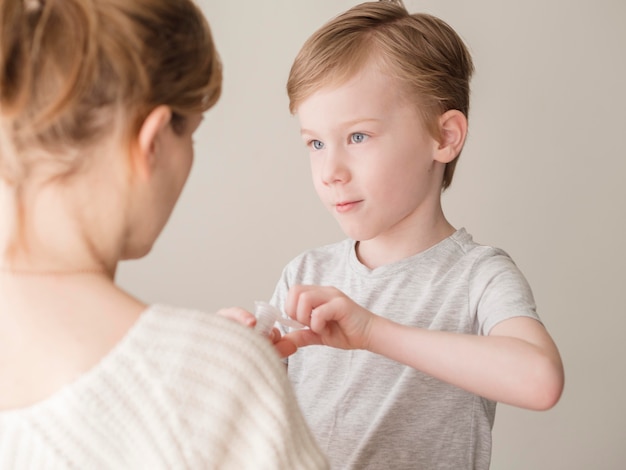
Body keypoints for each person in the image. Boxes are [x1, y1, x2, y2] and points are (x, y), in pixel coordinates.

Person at [0, 0, 327, 468]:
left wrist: (194, 361)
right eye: (190, 133)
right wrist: (209, 371)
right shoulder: (215, 381)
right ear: (152, 141)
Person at [268, 1, 565, 468]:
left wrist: (373, 332)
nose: (330, 171)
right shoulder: (305, 275)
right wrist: (236, 358)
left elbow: (540, 380)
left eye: (358, 137)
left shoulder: (477, 277)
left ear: (444, 137)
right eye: (316, 143)